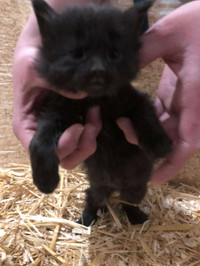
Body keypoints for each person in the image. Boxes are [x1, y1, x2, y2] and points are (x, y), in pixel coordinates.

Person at [13, 0, 200, 185]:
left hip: (127, 160)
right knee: (97, 178)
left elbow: (138, 105)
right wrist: (43, 147)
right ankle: (95, 205)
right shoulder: (58, 97)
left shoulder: (122, 94)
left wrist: (151, 133)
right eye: (78, 54)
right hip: (99, 167)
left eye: (113, 55)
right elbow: (53, 118)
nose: (98, 68)